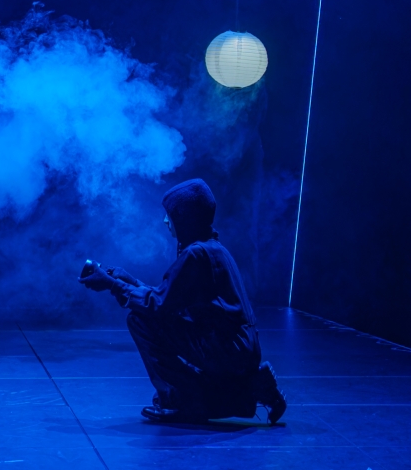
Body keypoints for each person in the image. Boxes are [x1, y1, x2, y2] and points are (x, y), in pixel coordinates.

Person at [80, 178, 287, 424]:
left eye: (170, 215)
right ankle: (253, 385)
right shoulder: (214, 249)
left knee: (139, 321)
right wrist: (129, 280)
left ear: (184, 218)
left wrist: (112, 284)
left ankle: (178, 401)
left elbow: (158, 305)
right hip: (238, 347)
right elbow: (168, 299)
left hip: (228, 349)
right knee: (149, 316)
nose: (165, 221)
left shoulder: (196, 254)